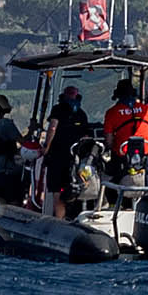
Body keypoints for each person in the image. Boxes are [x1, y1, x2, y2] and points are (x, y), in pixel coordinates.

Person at [102, 80, 148, 185]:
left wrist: (108, 147)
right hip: (146, 153)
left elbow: (109, 141)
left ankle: (112, 197)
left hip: (123, 154)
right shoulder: (146, 109)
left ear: (118, 95)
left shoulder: (112, 112)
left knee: (110, 174)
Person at [42, 86, 90, 219]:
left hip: (57, 157)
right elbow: (86, 137)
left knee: (57, 192)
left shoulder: (57, 110)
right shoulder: (81, 113)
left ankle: (59, 220)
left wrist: (46, 147)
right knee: (75, 189)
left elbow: (52, 127)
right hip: (75, 160)